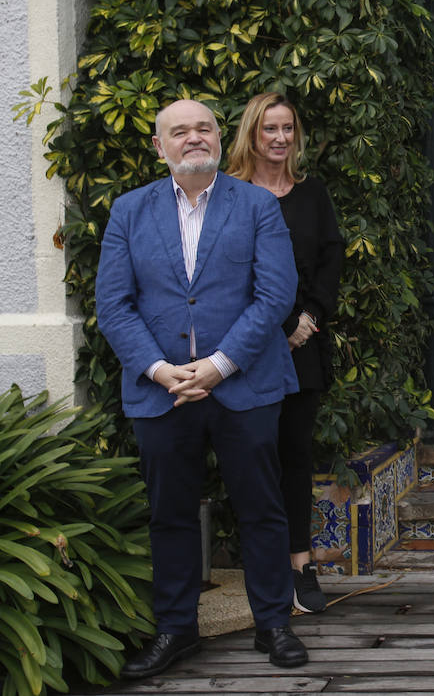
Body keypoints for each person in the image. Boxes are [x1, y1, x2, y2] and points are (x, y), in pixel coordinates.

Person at [95, 99, 309, 679]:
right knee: (168, 514)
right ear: (158, 146)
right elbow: (113, 306)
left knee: (261, 509)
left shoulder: (259, 206)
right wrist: (160, 370)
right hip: (161, 391)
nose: (194, 138)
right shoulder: (129, 211)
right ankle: (176, 629)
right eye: (179, 131)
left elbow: (275, 295)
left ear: (220, 138)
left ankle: (272, 622)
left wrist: (218, 365)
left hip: (244, 384)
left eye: (204, 128)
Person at [226, 92, 344, 614]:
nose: (279, 138)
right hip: (248, 348)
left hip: (304, 348)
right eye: (269, 128)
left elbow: (330, 260)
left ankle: (301, 564)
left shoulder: (312, 194)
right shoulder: (229, 195)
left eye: (288, 128)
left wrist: (307, 321)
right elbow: (231, 276)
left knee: (296, 459)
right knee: (253, 459)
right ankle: (265, 566)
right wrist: (280, 325)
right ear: (252, 133)